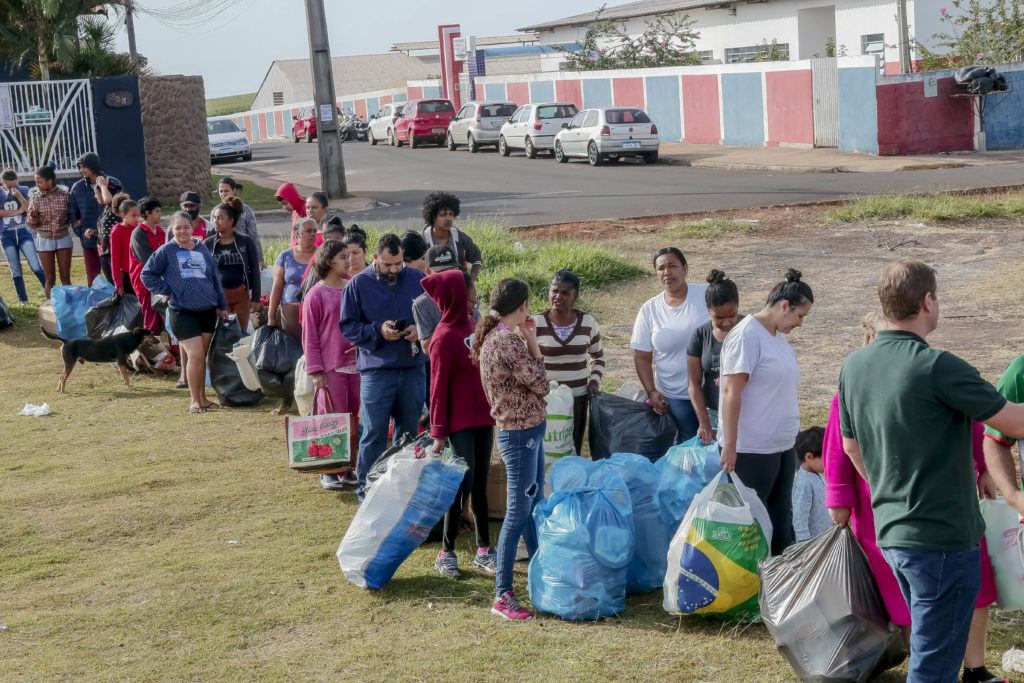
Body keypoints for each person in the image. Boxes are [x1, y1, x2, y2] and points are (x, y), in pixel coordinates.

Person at [836, 260, 1024, 683]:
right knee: (935, 666)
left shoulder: (854, 366)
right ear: (927, 301)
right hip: (942, 540)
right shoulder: (938, 365)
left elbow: (850, 446)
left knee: (929, 645)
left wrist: (890, 488)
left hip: (892, 533)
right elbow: (1014, 423)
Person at [719, 268, 813, 555]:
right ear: (784, 306)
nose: (800, 323)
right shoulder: (747, 335)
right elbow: (730, 393)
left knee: (780, 520)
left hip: (782, 445)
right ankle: (753, 589)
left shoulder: (777, 335)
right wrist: (731, 446)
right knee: (754, 527)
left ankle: (778, 588)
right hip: (753, 449)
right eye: (799, 316)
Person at [474, 277, 549, 621]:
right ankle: (502, 594)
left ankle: (539, 577)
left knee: (532, 505)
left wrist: (529, 338)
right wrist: (533, 342)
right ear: (522, 307)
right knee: (518, 512)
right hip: (520, 436)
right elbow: (541, 383)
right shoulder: (507, 342)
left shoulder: (497, 337)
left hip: (523, 431)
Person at [340, 233, 427, 500]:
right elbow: (348, 326)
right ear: (375, 258)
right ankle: (367, 493)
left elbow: (435, 315)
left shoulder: (417, 279)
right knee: (374, 433)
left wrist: (418, 329)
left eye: (398, 263)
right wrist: (378, 330)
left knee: (409, 433)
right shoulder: (357, 284)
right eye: (388, 264)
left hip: (412, 368)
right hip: (377, 371)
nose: (394, 269)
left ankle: (402, 490)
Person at [423, 269, 496, 578]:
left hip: (484, 418)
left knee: (480, 483)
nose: (475, 293)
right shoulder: (442, 338)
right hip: (459, 423)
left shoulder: (473, 324)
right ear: (457, 293)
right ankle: (446, 552)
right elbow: (437, 389)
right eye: (471, 288)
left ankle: (483, 550)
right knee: (459, 484)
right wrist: (438, 433)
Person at [141, 211, 228, 415]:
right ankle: (194, 402)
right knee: (195, 356)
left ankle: (203, 399)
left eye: (186, 227)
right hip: (182, 312)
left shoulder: (201, 248)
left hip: (207, 310)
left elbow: (214, 277)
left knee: (201, 358)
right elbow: (147, 274)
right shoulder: (166, 251)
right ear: (171, 229)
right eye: (177, 228)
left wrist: (221, 305)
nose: (182, 231)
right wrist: (167, 290)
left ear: (192, 228)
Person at [630, 247, 710, 443]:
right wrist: (651, 391)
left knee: (715, 446)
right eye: (661, 268)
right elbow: (642, 356)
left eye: (672, 266)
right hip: (674, 397)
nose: (667, 272)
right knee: (687, 447)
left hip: (711, 393)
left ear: (684, 268)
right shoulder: (650, 309)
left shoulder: (706, 295)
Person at [302, 240, 360, 491]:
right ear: (327, 261)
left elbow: (361, 323)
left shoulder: (352, 287)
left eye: (349, 256)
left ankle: (347, 467)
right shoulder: (316, 293)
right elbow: (310, 336)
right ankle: (328, 470)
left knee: (352, 417)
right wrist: (316, 371)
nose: (348, 260)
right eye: (342, 257)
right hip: (330, 367)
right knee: (331, 418)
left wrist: (362, 343)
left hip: (356, 366)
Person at [533, 269, 605, 457]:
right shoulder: (536, 322)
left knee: (573, 447)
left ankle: (570, 485)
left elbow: (598, 357)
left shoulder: (587, 322)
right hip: (545, 400)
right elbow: (525, 361)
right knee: (547, 451)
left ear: (575, 296)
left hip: (577, 398)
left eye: (565, 293)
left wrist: (594, 382)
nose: (558, 296)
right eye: (554, 291)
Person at [687, 269, 743, 445]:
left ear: (738, 306)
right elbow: (694, 383)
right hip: (714, 414)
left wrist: (732, 377)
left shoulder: (750, 330)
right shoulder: (700, 335)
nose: (727, 322)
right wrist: (704, 423)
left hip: (748, 413)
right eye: (719, 317)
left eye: (732, 315)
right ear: (708, 310)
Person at [204, 197, 261, 332]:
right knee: (221, 335)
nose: (215, 221)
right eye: (214, 218)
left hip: (241, 295)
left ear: (231, 221)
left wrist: (256, 297)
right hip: (219, 297)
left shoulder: (245, 242)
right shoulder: (208, 244)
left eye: (220, 218)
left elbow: (254, 269)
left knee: (240, 334)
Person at [68, 152, 120, 285]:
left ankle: (119, 302)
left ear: (92, 165)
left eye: (83, 166)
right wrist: (81, 232)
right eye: (79, 167)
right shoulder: (77, 188)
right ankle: (97, 303)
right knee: (93, 278)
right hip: (89, 239)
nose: (81, 170)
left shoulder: (112, 183)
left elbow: (121, 207)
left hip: (111, 240)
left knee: (116, 276)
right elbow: (73, 213)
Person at [413, 245, 470, 353]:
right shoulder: (421, 304)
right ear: (428, 272)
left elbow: (479, 331)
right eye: (441, 273)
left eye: (451, 270)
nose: (447, 277)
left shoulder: (466, 294)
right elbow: (426, 348)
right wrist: (450, 317)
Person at [25, 166, 72, 299]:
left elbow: (72, 214)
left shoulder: (65, 196)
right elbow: (30, 224)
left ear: (50, 181)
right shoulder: (35, 198)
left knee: (65, 277)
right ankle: (52, 308)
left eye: (39, 182)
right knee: (49, 278)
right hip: (44, 239)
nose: (37, 185)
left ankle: (69, 307)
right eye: (36, 182)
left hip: (63, 237)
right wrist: (33, 216)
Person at [1, 169, 45, 304]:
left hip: (23, 231)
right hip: (7, 234)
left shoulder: (24, 189)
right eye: (9, 186)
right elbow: (1, 213)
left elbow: (28, 210)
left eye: (15, 184)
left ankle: (48, 289)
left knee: (36, 265)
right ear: (3, 183)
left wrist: (19, 196)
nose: (13, 188)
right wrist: (17, 211)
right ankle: (23, 300)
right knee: (15, 269)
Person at [420, 191, 483, 279]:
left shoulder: (460, 238)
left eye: (451, 214)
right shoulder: (421, 240)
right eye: (443, 215)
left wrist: (469, 283)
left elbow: (477, 259)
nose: (448, 219)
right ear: (433, 217)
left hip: (457, 287)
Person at [129, 197, 166, 335]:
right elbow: (148, 260)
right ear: (148, 213)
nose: (160, 214)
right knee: (151, 322)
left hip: (161, 282)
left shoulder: (161, 232)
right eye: (157, 211)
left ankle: (172, 353)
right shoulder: (138, 233)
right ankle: (152, 353)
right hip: (144, 284)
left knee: (167, 318)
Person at [214, 177, 263, 267]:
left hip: (243, 254)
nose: (223, 194)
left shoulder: (246, 210)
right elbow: (213, 235)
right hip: (222, 255)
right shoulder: (215, 211)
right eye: (221, 191)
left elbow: (253, 236)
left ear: (234, 190)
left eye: (226, 191)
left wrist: (259, 259)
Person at [791, 426, 828, 543]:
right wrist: (804, 544)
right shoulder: (804, 483)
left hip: (824, 539)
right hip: (812, 544)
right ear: (809, 457)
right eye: (825, 458)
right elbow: (799, 517)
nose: (829, 462)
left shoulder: (816, 475)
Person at [95, 180, 126, 283]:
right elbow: (106, 230)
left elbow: (108, 199)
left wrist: (103, 186)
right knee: (112, 284)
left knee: (118, 282)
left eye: (96, 193)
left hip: (113, 251)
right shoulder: (105, 209)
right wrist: (94, 232)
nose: (95, 196)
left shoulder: (115, 208)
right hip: (104, 251)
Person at [109, 197, 140, 295]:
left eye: (138, 215)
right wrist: (117, 283)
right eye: (133, 215)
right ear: (123, 215)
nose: (137, 218)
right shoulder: (117, 231)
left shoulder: (140, 228)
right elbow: (115, 259)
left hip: (141, 273)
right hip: (127, 275)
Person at [275, 182, 307, 246]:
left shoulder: (306, 209)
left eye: (285, 203)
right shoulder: (294, 211)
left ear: (292, 198)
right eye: (282, 205)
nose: (284, 207)